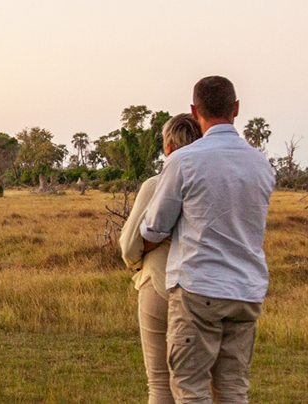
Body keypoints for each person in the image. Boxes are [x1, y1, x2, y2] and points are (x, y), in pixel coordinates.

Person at [139, 76, 275, 404]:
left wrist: (141, 251)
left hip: (198, 290)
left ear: (193, 110)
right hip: (246, 291)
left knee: (190, 387)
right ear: (236, 108)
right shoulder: (261, 164)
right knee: (233, 387)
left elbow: (154, 228)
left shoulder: (183, 161)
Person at [119, 114, 203, 404]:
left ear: (167, 147)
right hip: (202, 287)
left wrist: (139, 259)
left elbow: (129, 245)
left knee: (159, 382)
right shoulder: (208, 183)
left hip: (157, 284)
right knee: (196, 382)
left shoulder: (156, 184)